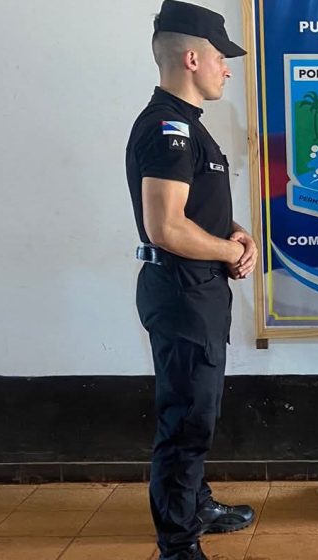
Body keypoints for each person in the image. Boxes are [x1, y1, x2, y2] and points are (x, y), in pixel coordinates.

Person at [125, 2, 257, 558]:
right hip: (182, 295)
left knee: (197, 411)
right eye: (222, 59)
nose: (227, 69)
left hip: (198, 294)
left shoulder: (187, 127)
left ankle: (195, 503)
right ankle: (177, 544)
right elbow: (166, 226)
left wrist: (234, 230)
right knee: (185, 423)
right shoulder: (168, 128)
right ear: (192, 57)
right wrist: (229, 248)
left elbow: (191, 209)